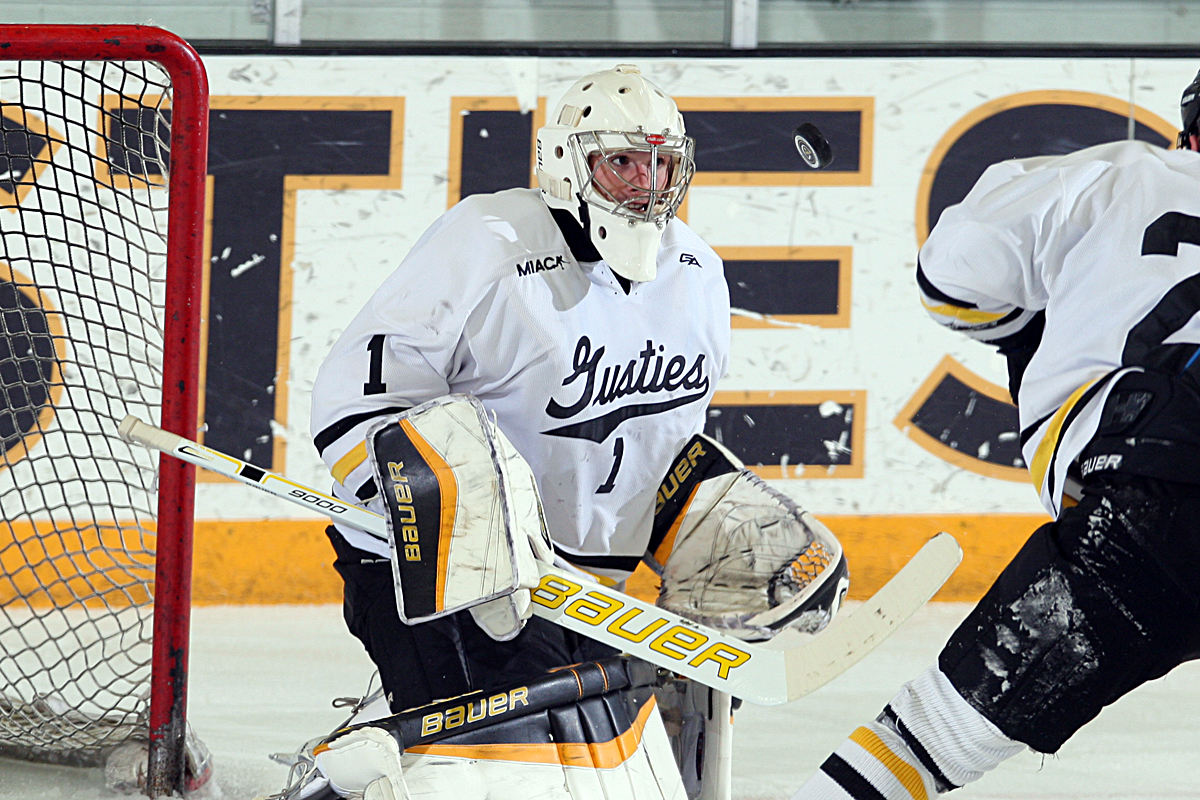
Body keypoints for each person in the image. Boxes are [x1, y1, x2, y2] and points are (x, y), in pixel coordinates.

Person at [308, 63, 846, 796]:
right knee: (525, 773)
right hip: (434, 581)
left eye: (661, 163)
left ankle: (389, 742)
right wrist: (456, 529)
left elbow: (657, 446)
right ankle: (345, 780)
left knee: (613, 759)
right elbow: (353, 404)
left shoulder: (696, 274)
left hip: (580, 589)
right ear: (566, 160)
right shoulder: (487, 242)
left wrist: (698, 518)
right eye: (621, 161)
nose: (645, 184)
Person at [790, 72, 1200, 800]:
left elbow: (952, 277)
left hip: (1158, 502)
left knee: (930, 738)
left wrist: (1040, 332)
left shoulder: (1124, 172)